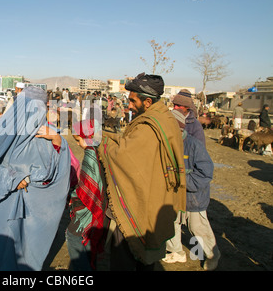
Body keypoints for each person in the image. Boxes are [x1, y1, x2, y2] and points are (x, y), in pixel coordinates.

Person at [0, 86, 71, 271]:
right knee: (3, 254)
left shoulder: (47, 132)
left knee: (27, 255)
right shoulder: (2, 131)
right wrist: (13, 178)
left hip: (35, 211)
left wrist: (59, 142)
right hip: (7, 205)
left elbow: (56, 171)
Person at [97, 72, 187, 270]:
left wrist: (101, 143)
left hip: (142, 205)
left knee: (126, 259)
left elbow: (124, 157)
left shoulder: (148, 127)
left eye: (132, 101)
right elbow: (133, 146)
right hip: (156, 198)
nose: (129, 105)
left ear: (147, 102)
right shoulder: (163, 117)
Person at [163, 109, 220, 271]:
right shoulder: (167, 145)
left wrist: (181, 180)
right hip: (174, 195)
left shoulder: (194, 145)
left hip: (194, 197)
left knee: (197, 228)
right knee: (172, 222)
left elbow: (205, 173)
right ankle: (176, 252)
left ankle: (211, 255)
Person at [67, 120, 107, 271]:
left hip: (88, 209)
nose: (77, 144)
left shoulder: (90, 155)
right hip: (98, 209)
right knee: (89, 242)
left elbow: (87, 189)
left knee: (73, 238)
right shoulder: (99, 151)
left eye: (78, 140)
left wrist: (73, 194)